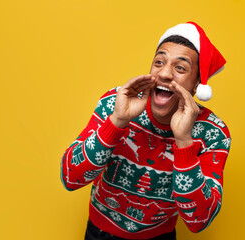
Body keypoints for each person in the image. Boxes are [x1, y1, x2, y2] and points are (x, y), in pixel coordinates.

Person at [60, 22, 231, 240]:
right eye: (159, 62)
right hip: (100, 232)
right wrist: (117, 121)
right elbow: (70, 178)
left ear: (197, 84)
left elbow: (199, 221)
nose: (165, 73)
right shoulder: (116, 102)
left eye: (180, 68)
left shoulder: (214, 133)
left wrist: (184, 141)